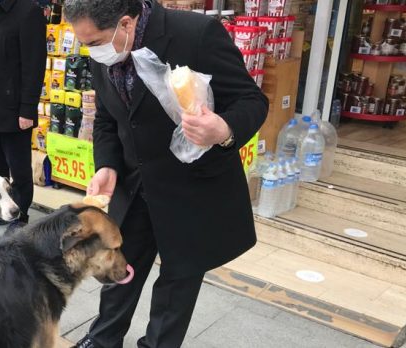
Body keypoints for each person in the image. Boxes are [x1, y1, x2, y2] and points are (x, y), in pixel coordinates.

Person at [63, 0, 268, 347]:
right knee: (119, 267)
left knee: (178, 281)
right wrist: (107, 164)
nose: (90, 51)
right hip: (134, 182)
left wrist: (223, 130)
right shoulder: (105, 50)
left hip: (191, 187)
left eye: (94, 42)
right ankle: (102, 340)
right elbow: (107, 118)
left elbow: (252, 100)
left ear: (125, 24)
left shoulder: (196, 34)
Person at [0, 0, 47, 231]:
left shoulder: (28, 11)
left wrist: (27, 108)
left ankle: (21, 214)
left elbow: (34, 65)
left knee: (19, 168)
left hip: (13, 108)